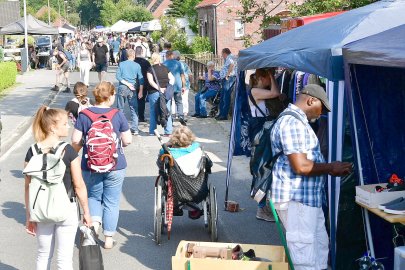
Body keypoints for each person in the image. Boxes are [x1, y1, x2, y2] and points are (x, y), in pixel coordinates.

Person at [270, 84, 352, 270]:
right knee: (304, 259)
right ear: (311, 100)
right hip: (296, 201)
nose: (320, 114)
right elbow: (301, 166)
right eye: (321, 109)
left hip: (307, 201)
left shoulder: (299, 122)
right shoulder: (293, 123)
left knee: (319, 251)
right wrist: (331, 167)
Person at [24, 106, 91, 269]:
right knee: (64, 259)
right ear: (53, 127)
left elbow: (28, 186)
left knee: (43, 255)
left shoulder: (32, 151)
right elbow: (79, 185)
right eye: (65, 124)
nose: (68, 127)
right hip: (66, 209)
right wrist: (86, 212)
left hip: (41, 210)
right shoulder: (68, 151)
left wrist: (29, 215)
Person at [72, 81, 132, 249]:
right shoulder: (118, 114)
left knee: (93, 197)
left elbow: (75, 140)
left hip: (90, 164)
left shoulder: (84, 114)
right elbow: (127, 140)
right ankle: (108, 239)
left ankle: (93, 229)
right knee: (112, 201)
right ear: (111, 96)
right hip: (115, 164)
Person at [247, 68, 281, 222]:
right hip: (259, 131)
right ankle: (261, 208)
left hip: (261, 130)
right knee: (261, 168)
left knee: (265, 167)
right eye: (269, 78)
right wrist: (272, 77)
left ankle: (263, 204)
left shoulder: (258, 90)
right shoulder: (255, 91)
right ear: (263, 77)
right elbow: (276, 93)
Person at [115, 49, 144, 135]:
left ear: (127, 56)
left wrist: (126, 83)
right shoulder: (137, 65)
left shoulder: (121, 64)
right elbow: (141, 79)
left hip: (122, 87)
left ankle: (120, 127)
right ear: (134, 56)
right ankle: (135, 128)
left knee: (120, 108)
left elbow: (118, 76)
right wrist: (141, 91)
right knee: (134, 109)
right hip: (133, 88)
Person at [147, 53, 175, 135]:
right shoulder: (165, 68)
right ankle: (168, 131)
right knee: (167, 110)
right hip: (166, 93)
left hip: (154, 92)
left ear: (152, 59)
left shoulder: (150, 69)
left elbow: (151, 81)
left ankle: (153, 131)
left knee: (153, 111)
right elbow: (172, 79)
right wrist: (168, 87)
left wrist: (159, 88)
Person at [163, 50, 187, 125]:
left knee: (168, 102)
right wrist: (184, 86)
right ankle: (181, 116)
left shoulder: (164, 64)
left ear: (166, 56)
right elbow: (182, 76)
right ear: (172, 55)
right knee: (179, 102)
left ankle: (170, 118)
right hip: (178, 85)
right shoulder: (178, 63)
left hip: (168, 86)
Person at [217, 48, 236, 120]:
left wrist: (227, 74)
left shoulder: (230, 57)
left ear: (225, 53)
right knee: (223, 96)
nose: (222, 56)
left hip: (229, 78)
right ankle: (221, 114)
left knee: (225, 96)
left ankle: (224, 115)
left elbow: (232, 64)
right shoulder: (229, 57)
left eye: (222, 54)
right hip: (226, 79)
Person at [134, 46, 152, 122]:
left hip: (133, 84)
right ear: (142, 52)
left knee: (134, 101)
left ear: (135, 52)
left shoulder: (133, 62)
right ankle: (141, 117)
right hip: (144, 84)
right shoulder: (146, 62)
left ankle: (134, 116)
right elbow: (150, 73)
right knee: (141, 101)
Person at [173, 50, 192, 118]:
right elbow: (190, 75)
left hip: (175, 85)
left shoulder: (172, 64)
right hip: (185, 85)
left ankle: (175, 113)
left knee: (175, 100)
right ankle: (184, 113)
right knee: (184, 99)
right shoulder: (184, 64)